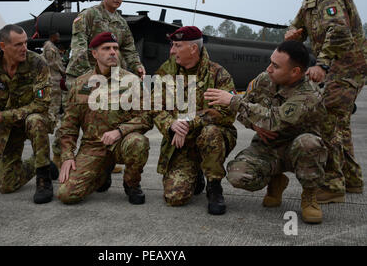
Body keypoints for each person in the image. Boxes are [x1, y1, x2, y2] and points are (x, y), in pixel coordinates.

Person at [205, 41, 328, 224]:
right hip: (268, 146)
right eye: (270, 62)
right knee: (238, 176)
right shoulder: (264, 79)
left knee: (308, 143)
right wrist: (256, 126)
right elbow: (245, 113)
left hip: (299, 150)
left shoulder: (309, 95)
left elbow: (274, 120)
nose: (269, 69)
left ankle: (310, 195)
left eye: (276, 66)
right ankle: (276, 180)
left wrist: (233, 101)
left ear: (295, 72)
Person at [283, 0, 367, 203]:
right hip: (339, 67)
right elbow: (296, 26)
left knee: (326, 119)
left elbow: (339, 32)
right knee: (339, 123)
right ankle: (351, 180)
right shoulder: (310, 0)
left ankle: (332, 186)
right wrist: (292, 33)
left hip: (347, 66)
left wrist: (321, 64)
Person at [57, 32, 152, 205]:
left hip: (121, 143)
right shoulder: (80, 84)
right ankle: (101, 174)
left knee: (138, 142)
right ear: (94, 54)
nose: (113, 52)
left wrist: (120, 131)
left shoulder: (132, 81)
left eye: (115, 48)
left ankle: (131, 184)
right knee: (66, 195)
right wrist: (67, 156)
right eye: (106, 48)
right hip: (92, 147)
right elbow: (68, 125)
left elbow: (146, 117)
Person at [151, 26, 237, 215]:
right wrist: (172, 125)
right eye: (172, 45)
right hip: (181, 144)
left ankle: (214, 186)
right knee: (174, 197)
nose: (172, 50)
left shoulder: (218, 74)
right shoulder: (166, 72)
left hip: (212, 139)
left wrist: (188, 121)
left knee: (210, 132)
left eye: (177, 46)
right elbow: (156, 107)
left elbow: (226, 112)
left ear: (193, 49)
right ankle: (195, 173)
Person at [0, 24, 59, 204]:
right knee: (6, 185)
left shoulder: (37, 63)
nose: (24, 48)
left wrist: (4, 116)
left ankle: (43, 179)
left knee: (35, 121)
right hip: (8, 125)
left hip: (35, 118)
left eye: (25, 43)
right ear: (3, 47)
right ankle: (38, 162)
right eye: (18, 45)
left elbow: (41, 104)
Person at [65, 0, 145, 174]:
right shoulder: (89, 15)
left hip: (111, 80)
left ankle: (106, 158)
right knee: (72, 120)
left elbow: (128, 49)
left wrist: (137, 65)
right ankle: (63, 159)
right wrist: (89, 76)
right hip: (85, 76)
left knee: (108, 118)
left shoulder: (121, 22)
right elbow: (78, 47)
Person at [41, 31, 66, 168]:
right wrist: (64, 71)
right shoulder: (49, 47)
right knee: (54, 109)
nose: (59, 37)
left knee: (58, 108)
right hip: (54, 81)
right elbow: (54, 63)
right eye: (57, 35)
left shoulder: (51, 46)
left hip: (57, 82)